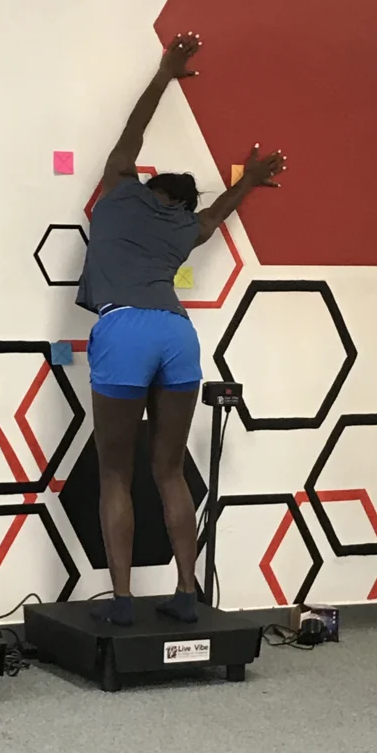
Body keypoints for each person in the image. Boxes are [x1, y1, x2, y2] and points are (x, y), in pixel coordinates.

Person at [77, 32, 286, 625]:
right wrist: (252, 177)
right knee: (168, 468)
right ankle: (187, 591)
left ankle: (120, 601)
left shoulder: (120, 191)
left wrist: (167, 73)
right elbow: (219, 213)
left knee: (115, 470)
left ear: (151, 187)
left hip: (124, 330)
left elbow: (133, 133)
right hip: (177, 333)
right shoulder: (183, 230)